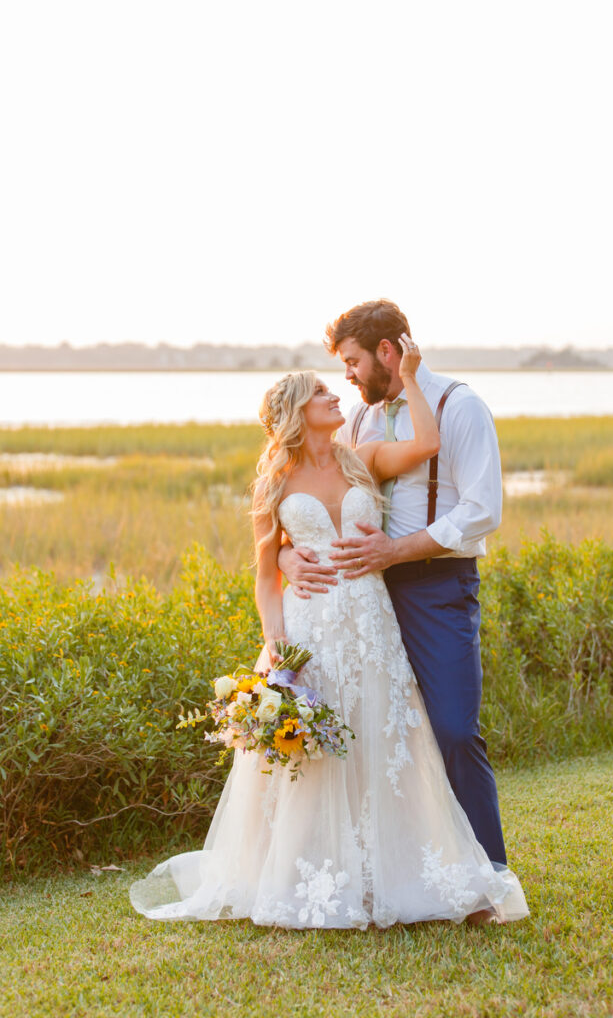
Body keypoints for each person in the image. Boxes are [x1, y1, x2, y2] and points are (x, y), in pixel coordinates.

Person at [129, 336, 528, 928]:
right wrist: (276, 648)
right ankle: (307, 873)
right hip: (311, 626)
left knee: (383, 738)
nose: (336, 390)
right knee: (316, 747)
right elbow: (265, 573)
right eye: (321, 390)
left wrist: (413, 377)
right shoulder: (273, 484)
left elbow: (427, 443)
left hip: (371, 620)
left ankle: (392, 871)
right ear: (297, 410)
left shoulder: (360, 457)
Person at [279, 299, 510, 870]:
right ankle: (396, 869)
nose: (348, 376)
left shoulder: (460, 407)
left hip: (436, 587)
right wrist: (287, 559)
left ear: (388, 352)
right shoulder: (358, 420)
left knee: (453, 731)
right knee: (377, 733)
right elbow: (310, 503)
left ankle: (487, 873)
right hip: (363, 599)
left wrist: (396, 550)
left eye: (354, 362)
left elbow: (484, 510)